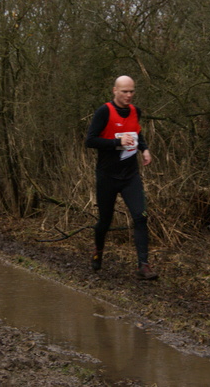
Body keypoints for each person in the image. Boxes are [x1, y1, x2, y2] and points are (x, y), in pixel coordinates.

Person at [85, 75, 158, 280]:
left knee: (140, 216)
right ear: (114, 91)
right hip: (107, 175)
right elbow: (90, 141)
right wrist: (117, 143)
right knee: (105, 221)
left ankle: (143, 265)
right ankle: (98, 251)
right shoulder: (104, 111)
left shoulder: (136, 111)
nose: (128, 95)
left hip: (130, 175)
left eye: (132, 91)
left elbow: (137, 134)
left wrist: (144, 149)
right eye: (124, 91)